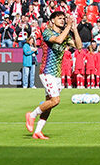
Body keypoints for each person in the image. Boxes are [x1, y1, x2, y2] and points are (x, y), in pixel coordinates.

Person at [27, 10, 76, 139]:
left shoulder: (65, 34)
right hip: (47, 71)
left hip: (57, 73)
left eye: (64, 18)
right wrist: (68, 27)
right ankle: (32, 115)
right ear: (52, 20)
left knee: (50, 103)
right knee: (55, 100)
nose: (63, 20)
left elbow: (79, 46)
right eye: (60, 18)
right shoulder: (47, 32)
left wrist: (74, 30)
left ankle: (38, 131)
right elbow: (59, 41)